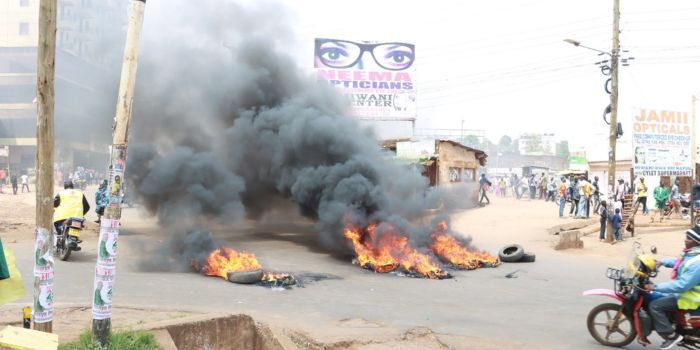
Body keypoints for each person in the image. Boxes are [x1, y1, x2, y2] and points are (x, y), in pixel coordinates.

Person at [644, 227, 700, 349]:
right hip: (686, 293)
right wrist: (662, 262)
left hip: (689, 297)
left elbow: (682, 285)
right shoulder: (691, 253)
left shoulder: (697, 262)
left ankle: (670, 335)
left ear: (697, 242)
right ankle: (675, 325)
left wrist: (655, 287)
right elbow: (680, 262)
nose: (685, 240)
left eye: (689, 239)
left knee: (655, 305)